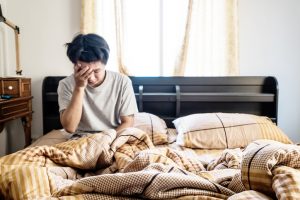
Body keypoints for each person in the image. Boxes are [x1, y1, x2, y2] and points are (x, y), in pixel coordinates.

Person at [57, 33, 138, 135]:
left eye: (96, 71)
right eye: (84, 71)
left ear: (105, 64)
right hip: (81, 139)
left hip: (114, 136)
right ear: (75, 65)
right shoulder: (66, 84)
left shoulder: (122, 82)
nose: (90, 78)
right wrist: (79, 87)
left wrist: (104, 140)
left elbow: (128, 122)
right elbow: (70, 127)